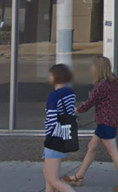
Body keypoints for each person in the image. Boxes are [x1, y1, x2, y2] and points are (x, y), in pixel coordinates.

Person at [62, 56, 118, 192]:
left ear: (99, 68)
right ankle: (79, 176)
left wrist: (76, 109)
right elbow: (117, 97)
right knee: (92, 147)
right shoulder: (113, 80)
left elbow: (89, 103)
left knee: (113, 152)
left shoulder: (100, 86)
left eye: (93, 65)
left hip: (105, 123)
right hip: (109, 120)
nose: (91, 68)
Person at [43, 64, 76, 192]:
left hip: (54, 138)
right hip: (65, 135)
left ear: (55, 76)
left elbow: (52, 120)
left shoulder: (54, 96)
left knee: (52, 179)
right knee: (49, 174)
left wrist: (50, 137)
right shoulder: (71, 93)